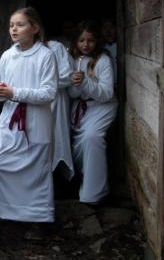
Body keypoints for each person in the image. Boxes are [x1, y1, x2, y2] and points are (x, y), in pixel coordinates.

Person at [0, 7, 57, 223]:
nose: (14, 29)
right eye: (12, 25)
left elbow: (49, 93)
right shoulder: (7, 56)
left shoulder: (46, 56)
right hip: (10, 122)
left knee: (35, 172)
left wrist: (15, 92)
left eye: (20, 24)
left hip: (35, 122)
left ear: (35, 28)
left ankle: (36, 217)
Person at [69, 20, 117, 204]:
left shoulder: (103, 60)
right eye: (81, 40)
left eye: (90, 40)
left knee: (92, 138)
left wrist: (86, 82)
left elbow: (106, 93)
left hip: (103, 107)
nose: (85, 45)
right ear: (76, 41)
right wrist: (74, 83)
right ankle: (81, 179)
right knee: (78, 144)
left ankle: (94, 192)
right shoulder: (73, 59)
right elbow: (73, 94)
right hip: (82, 109)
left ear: (97, 41)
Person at [45, 38, 75, 180]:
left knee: (58, 136)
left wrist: (44, 84)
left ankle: (59, 177)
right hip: (35, 101)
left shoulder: (56, 47)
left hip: (57, 100)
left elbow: (68, 75)